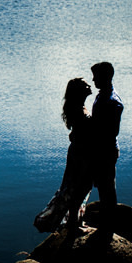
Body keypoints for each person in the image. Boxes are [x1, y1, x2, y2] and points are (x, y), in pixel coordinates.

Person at [33, 78, 95, 232]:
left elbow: (76, 134)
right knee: (78, 188)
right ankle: (73, 224)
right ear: (79, 91)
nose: (90, 85)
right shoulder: (79, 111)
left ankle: (76, 222)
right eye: (86, 84)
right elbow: (80, 135)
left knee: (80, 187)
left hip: (79, 153)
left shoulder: (79, 108)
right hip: (81, 155)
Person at [89, 61, 124, 229]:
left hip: (106, 151)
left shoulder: (112, 102)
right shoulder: (102, 95)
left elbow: (112, 132)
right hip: (101, 150)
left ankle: (109, 222)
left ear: (106, 77)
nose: (93, 80)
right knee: (104, 185)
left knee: (107, 186)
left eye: (96, 77)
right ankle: (107, 217)